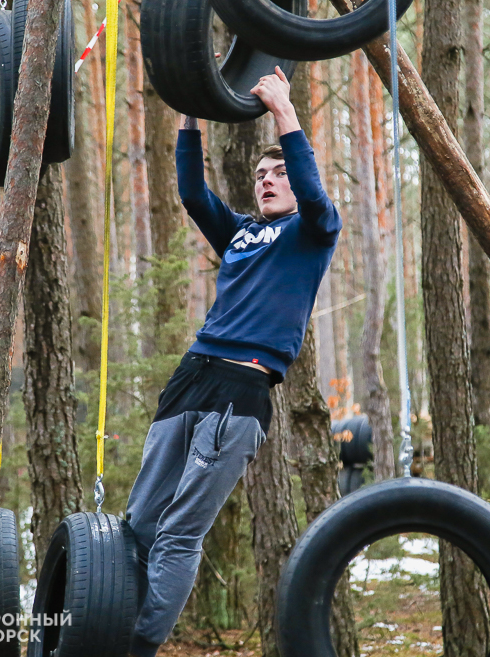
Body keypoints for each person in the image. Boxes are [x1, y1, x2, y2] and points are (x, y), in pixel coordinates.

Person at [126, 66, 342, 657]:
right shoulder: (242, 234)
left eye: (279, 174)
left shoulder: (313, 231)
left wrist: (285, 116)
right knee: (140, 525)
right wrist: (191, 108)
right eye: (261, 175)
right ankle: (103, 626)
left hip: (240, 390)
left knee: (178, 533)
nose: (268, 181)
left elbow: (317, 195)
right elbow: (193, 194)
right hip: (191, 376)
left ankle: (137, 645)